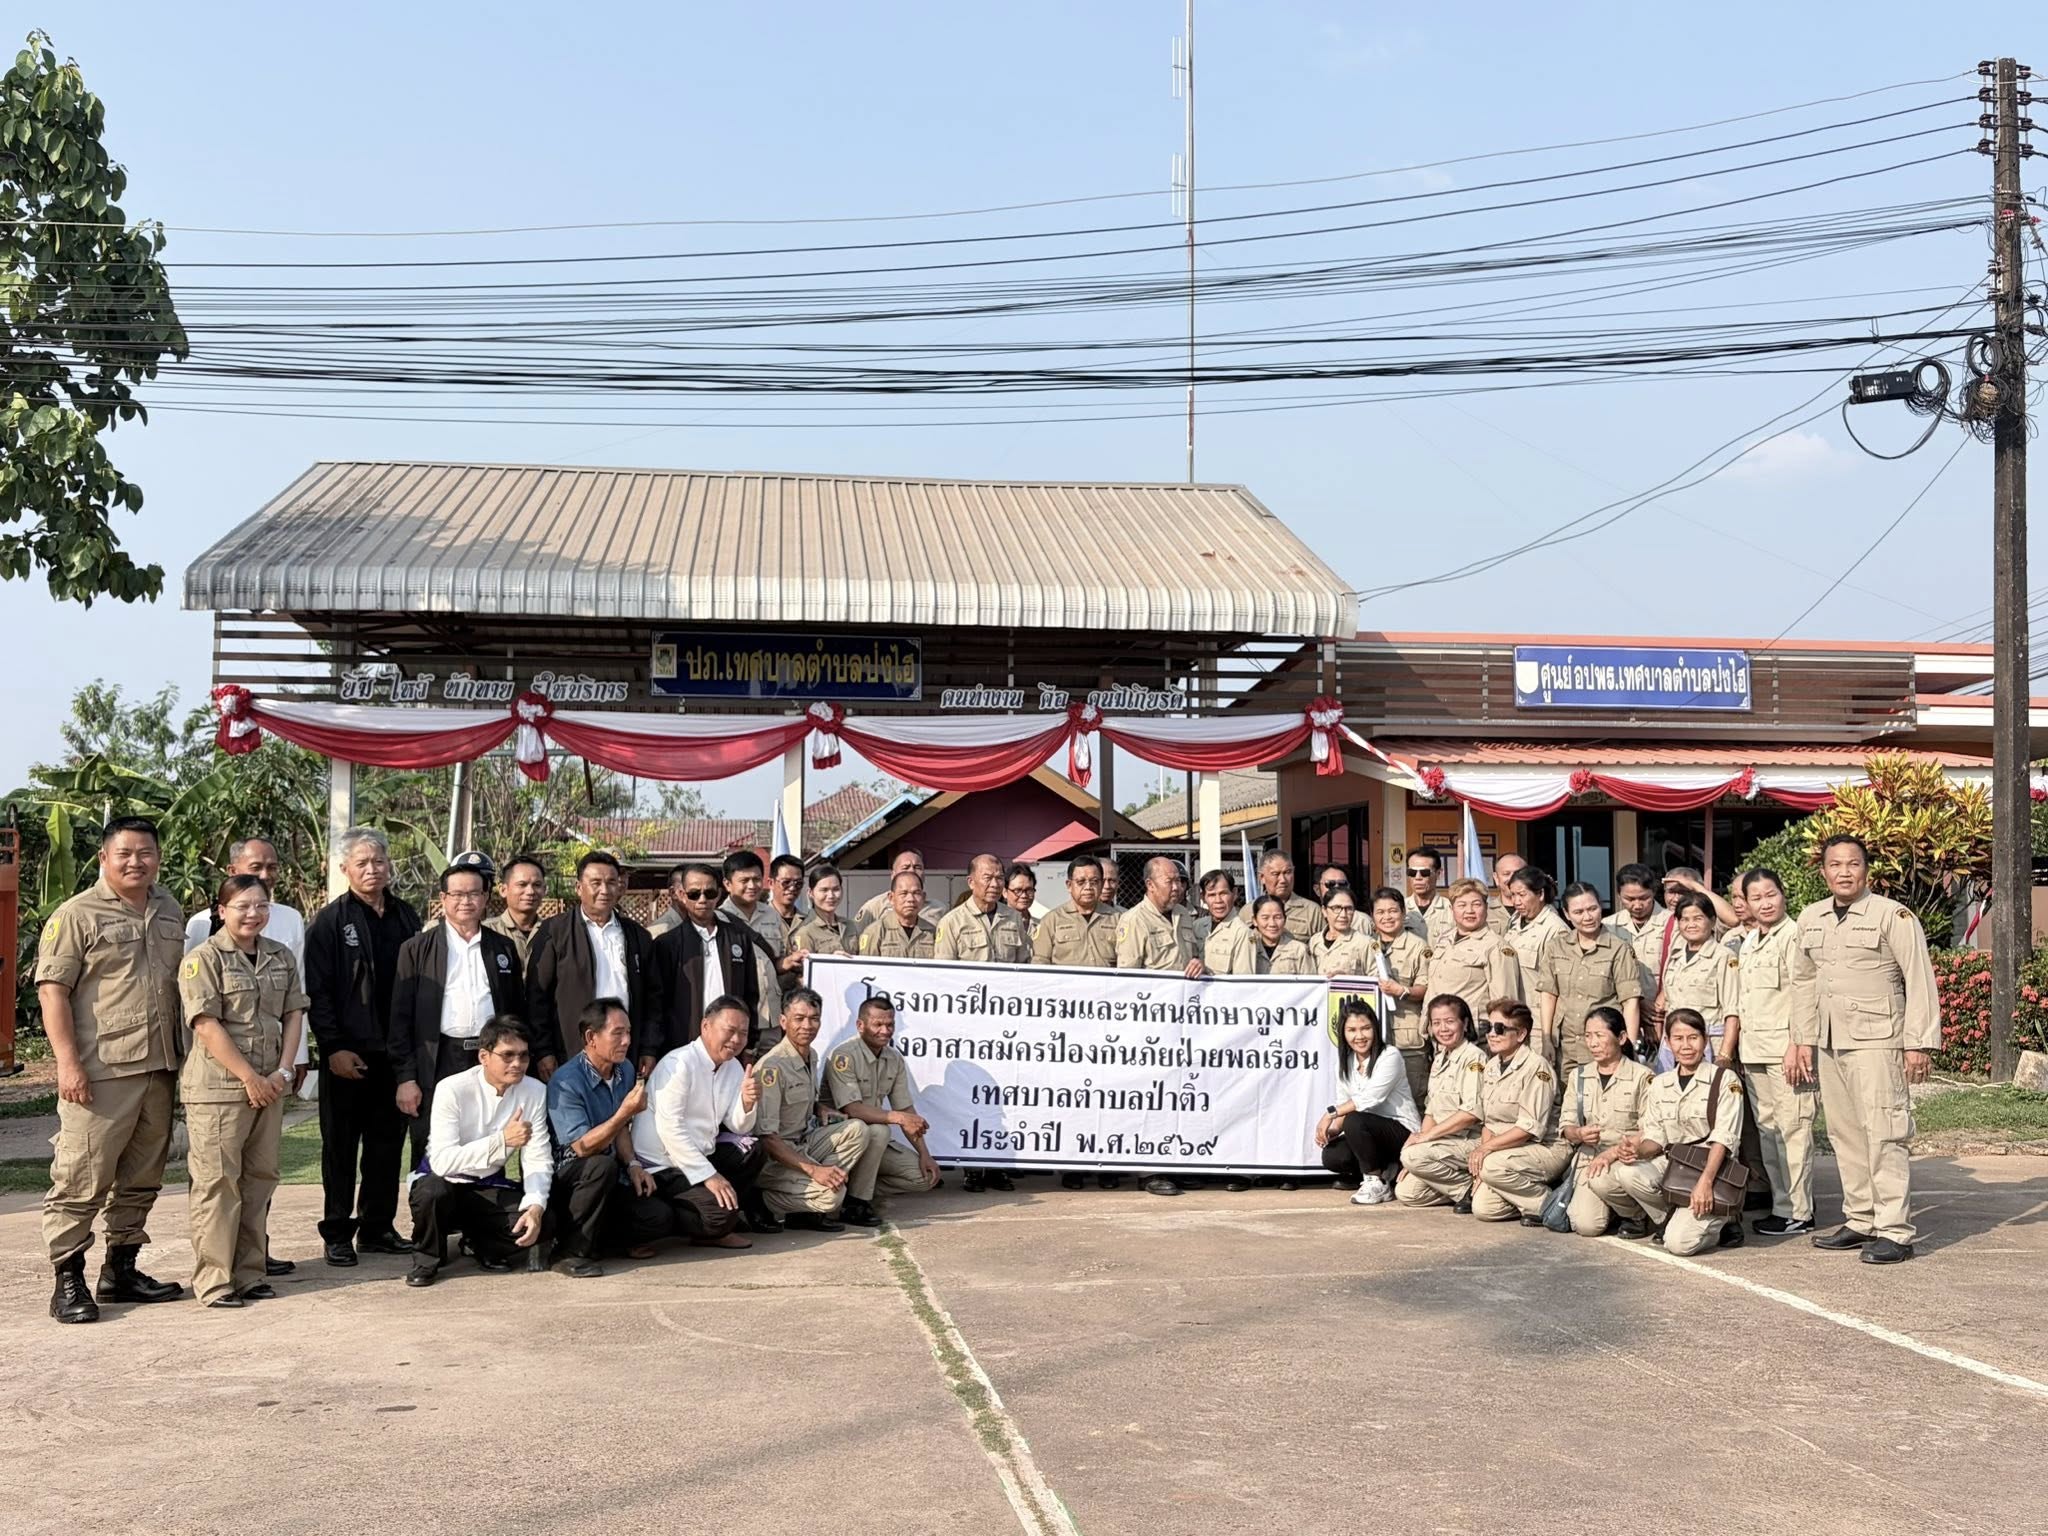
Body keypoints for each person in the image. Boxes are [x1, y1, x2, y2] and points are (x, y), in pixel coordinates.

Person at [38, 817, 189, 1323]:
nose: (135, 862)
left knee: (142, 1178)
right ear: (104, 857)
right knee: (81, 1178)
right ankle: (68, 1280)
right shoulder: (76, 914)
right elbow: (52, 992)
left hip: (160, 1066)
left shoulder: (169, 909)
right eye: (124, 853)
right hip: (101, 1071)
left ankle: (121, 1270)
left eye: (145, 853)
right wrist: (68, 1064)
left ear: (158, 858)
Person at [1787, 834, 1939, 1264]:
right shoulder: (1811, 917)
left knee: (1885, 1131)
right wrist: (1802, 1038)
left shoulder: (1893, 915)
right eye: (1835, 865)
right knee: (1844, 1133)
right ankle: (1861, 1218)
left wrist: (1918, 1043)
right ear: (1823, 872)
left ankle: (1894, 1230)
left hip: (1878, 1040)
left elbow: (1919, 978)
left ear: (1866, 869)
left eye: (1853, 864)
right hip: (1830, 1042)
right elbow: (1803, 981)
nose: (1844, 872)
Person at [181, 834, 307, 1279]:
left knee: (259, 1181)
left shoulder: (280, 956)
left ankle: (251, 1274)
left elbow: (294, 1013)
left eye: (261, 906)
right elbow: (205, 1024)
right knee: (217, 1184)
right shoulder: (203, 958)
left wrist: (283, 1071)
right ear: (221, 911)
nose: (253, 914)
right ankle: (215, 1280)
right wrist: (250, 1078)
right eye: (242, 906)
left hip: (270, 1085)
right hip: (219, 1089)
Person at [305, 826, 421, 1268]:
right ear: (345, 869)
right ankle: (337, 1232)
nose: (372, 869)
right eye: (362, 863)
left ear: (389, 865)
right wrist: (332, 1047)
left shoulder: (406, 916)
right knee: (340, 1148)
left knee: (386, 1147)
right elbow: (318, 992)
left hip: (394, 1055)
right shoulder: (330, 922)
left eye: (378, 861)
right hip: (346, 1056)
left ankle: (377, 1228)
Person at [389, 862, 527, 1169]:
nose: (466, 901)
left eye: (474, 893)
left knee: (489, 1139)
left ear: (486, 897)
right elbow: (400, 1020)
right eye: (457, 894)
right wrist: (406, 1078)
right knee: (431, 1145)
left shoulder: (502, 948)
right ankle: (428, 1199)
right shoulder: (416, 949)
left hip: (489, 1058)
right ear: (443, 898)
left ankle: (485, 1198)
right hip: (438, 1060)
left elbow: (517, 1011)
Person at [405, 1018, 554, 1287]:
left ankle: (479, 1242)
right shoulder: (452, 1088)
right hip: (444, 1181)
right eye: (508, 1055)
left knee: (545, 1220)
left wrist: (535, 1206)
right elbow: (442, 1162)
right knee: (432, 1193)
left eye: (523, 1056)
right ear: (484, 1056)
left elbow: (537, 1158)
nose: (517, 1063)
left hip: (488, 1186)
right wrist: (501, 1140)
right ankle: (427, 1259)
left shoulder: (535, 1091)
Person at [1584, 1008, 1745, 1253]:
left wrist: (1705, 1182)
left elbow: (1723, 1138)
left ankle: (1721, 1221)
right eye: (1678, 1039)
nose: (1686, 1046)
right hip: (1675, 1165)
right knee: (1624, 1174)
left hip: (1712, 1168)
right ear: (1668, 1043)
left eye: (1693, 1038)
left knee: (1679, 1245)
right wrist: (1636, 1151)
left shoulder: (1725, 1080)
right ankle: (1670, 1218)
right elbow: (1655, 1138)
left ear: (1705, 1040)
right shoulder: (1661, 1083)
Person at [628, 997, 767, 1251]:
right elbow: (671, 1130)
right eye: (730, 1030)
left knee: (753, 1150)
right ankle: (690, 1217)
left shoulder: (733, 1067)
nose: (736, 1040)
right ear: (706, 1026)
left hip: (701, 1154)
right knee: (720, 1214)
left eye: (743, 1033)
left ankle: (708, 1215)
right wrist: (709, 1176)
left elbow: (738, 1126)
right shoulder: (679, 1064)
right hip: (664, 1164)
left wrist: (747, 1102)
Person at [752, 987, 888, 1231]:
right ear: (783, 1021)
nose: (807, 1026)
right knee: (832, 1197)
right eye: (799, 1018)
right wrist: (815, 1171)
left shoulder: (811, 1055)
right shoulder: (772, 1067)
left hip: (804, 1143)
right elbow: (768, 1139)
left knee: (857, 1129)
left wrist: (818, 1108)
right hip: (776, 1158)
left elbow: (794, 1099)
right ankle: (761, 1201)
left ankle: (810, 1204)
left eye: (814, 1019)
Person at [526, 850, 661, 1078]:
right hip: (571, 1050)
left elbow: (653, 997)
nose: (605, 890)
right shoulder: (555, 932)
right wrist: (543, 1051)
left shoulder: (637, 935)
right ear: (579, 887)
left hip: (625, 1049)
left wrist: (649, 1047)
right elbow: (537, 997)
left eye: (611, 883)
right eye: (596, 883)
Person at [544, 998, 653, 1277]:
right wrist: (624, 1112)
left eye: (628, 1032)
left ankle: (601, 1239)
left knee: (658, 1217)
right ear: (591, 1037)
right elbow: (582, 1147)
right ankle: (567, 1252)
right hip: (571, 1175)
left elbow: (621, 1130)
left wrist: (633, 1164)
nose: (627, 1041)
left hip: (610, 1172)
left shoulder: (625, 1069)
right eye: (617, 1033)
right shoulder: (566, 1081)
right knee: (600, 1167)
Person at [1735, 868, 1817, 1237]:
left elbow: (1804, 994)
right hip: (1755, 1051)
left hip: (1787, 1052)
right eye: (1756, 898)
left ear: (1783, 894)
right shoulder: (1750, 941)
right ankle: (1783, 1206)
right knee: (1769, 1132)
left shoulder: (1794, 936)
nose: (1765, 903)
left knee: (1793, 1130)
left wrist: (1797, 1045)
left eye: (1771, 894)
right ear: (1747, 903)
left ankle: (1799, 1211)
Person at [823, 994, 941, 1223]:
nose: (885, 1031)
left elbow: (905, 1108)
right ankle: (856, 1204)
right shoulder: (844, 1056)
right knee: (878, 1130)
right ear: (860, 1025)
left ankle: (856, 1188)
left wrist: (925, 1154)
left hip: (873, 1144)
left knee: (923, 1177)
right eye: (877, 1024)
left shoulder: (894, 1059)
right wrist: (899, 1118)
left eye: (890, 1025)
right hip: (842, 1141)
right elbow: (853, 1109)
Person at [1468, 1001, 1571, 1225]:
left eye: (1500, 1029)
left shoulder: (1536, 1067)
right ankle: (1530, 1199)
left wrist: (1485, 1151)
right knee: (1484, 1209)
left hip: (1545, 1148)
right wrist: (1480, 1167)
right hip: (1507, 1151)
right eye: (1488, 1027)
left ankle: (1549, 1204)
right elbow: (1489, 1123)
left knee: (1492, 1167)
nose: (1492, 1034)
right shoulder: (1492, 1066)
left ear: (1521, 1034)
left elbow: (1528, 1129)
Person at [1555, 1008, 1655, 1237]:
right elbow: (1566, 1125)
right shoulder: (1578, 1076)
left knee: (1603, 1182)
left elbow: (1649, 1128)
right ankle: (1615, 1209)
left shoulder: (1642, 1076)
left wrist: (1613, 1154)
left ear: (1621, 1038)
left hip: (1626, 1158)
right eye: (1588, 1036)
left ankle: (1635, 1214)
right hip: (1590, 1158)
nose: (1593, 1043)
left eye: (1600, 1035)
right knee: (1586, 1226)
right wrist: (1578, 1133)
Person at [652, 862, 765, 1058]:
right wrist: (652, 1048)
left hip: (731, 1046)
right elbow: (657, 1003)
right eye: (694, 894)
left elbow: (751, 995)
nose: (702, 899)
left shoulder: (739, 938)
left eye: (709, 893)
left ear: (719, 894)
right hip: (684, 1048)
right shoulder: (667, 944)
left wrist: (749, 1043)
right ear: (682, 895)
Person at [1315, 997, 1418, 1204]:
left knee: (1355, 1119)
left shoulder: (1390, 1055)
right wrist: (1332, 1131)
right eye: (1352, 1030)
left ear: (1375, 1029)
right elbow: (1344, 1102)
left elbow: (1370, 1098)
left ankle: (1376, 1182)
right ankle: (1386, 1171)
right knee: (1333, 1155)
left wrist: (1329, 1114)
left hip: (1401, 1132)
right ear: (1343, 1033)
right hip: (1368, 1132)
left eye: (1365, 1028)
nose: (1359, 1036)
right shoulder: (1344, 1064)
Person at [1536, 882, 1644, 1070]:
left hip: (1605, 1048)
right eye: (1578, 912)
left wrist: (1629, 1048)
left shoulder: (1619, 949)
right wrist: (1546, 1040)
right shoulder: (1556, 947)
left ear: (1601, 907)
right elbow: (1548, 995)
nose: (1587, 917)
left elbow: (1630, 1002)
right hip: (1566, 1047)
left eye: (1592, 909)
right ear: (1567, 914)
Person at [1394, 996, 1488, 1209]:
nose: (1443, 1029)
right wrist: (1420, 1146)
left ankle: (1468, 1191)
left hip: (1469, 1142)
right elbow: (1431, 1111)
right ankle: (1467, 1186)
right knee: (1407, 1193)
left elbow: (1471, 1114)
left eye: (1449, 1021)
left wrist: (1423, 1143)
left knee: (1412, 1156)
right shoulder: (1439, 1058)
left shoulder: (1474, 1058)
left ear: (1465, 1023)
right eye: (1436, 1023)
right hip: (1442, 1144)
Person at [1355, 887, 1433, 1105]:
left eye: (1393, 911)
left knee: (1412, 1100)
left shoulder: (1418, 946)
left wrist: (1402, 991)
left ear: (1403, 913)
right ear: (1372, 916)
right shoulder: (1365, 945)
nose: (1387, 917)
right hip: (1372, 1039)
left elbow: (1427, 988)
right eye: (1380, 912)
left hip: (1407, 1039)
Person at [1423, 878, 1520, 1025]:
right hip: (1438, 1029)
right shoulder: (1444, 940)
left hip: (1472, 1031)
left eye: (1476, 904)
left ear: (1486, 907)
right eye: (1462, 905)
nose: (1469, 911)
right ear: (1452, 909)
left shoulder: (1496, 946)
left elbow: (1505, 1003)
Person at [722, 850, 793, 1045]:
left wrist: (789, 962)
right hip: (736, 1020)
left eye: (756, 879)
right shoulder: (718, 919)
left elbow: (776, 961)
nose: (752, 886)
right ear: (727, 884)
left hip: (771, 1017)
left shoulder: (772, 915)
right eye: (744, 880)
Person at [1661, 892, 1740, 1066]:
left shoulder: (1724, 956)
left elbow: (1732, 1011)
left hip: (1709, 1045)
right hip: (1674, 1046)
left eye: (1698, 919)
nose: (1691, 925)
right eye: (1684, 919)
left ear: (1712, 921)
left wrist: (1725, 1054)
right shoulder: (1675, 957)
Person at [1117, 855, 1206, 980]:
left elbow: (1193, 955)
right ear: (1150, 885)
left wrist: (1198, 964)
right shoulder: (1134, 920)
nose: (1176, 887)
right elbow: (1127, 975)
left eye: (1178, 881)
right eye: (1169, 882)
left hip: (1185, 990)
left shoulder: (1183, 913)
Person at [935, 853, 1031, 963]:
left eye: (999, 878)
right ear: (971, 882)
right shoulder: (951, 922)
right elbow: (944, 968)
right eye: (987, 878)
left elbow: (1022, 963)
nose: (995, 884)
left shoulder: (1013, 917)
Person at [1032, 854, 1120, 968]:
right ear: (1069, 885)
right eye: (1081, 882)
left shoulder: (1117, 919)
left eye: (1094, 882)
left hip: (1106, 980)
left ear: (1101, 884)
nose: (1088, 887)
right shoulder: (1051, 920)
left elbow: (1126, 960)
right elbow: (1040, 962)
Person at [1501, 866, 1567, 1005]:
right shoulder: (1514, 921)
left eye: (1522, 895)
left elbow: (1560, 984)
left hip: (1537, 1012)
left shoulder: (1555, 929)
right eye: (1513, 895)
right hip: (1513, 1008)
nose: (1516, 901)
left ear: (1540, 894)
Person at [851, 849, 941, 936]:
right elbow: (855, 936)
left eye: (917, 867)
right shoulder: (875, 907)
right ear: (893, 875)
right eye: (905, 867)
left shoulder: (938, 909)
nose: (912, 871)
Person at [1219, 895, 1315, 975]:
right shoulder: (1246, 946)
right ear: (1255, 921)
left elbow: (1310, 986)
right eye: (1265, 918)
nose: (1272, 924)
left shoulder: (1299, 950)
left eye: (1277, 917)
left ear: (1285, 919)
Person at [859, 870, 940, 958]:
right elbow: (866, 965)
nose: (910, 899)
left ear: (923, 897)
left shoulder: (932, 932)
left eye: (916, 893)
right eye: (903, 893)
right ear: (891, 898)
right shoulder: (876, 932)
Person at [484, 854, 549, 961]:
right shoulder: (486, 932)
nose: (530, 891)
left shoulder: (553, 932)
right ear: (503, 890)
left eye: (537, 885)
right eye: (522, 884)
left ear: (544, 890)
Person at [1256, 851, 1323, 944]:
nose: (1283, 880)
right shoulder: (1248, 911)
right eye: (1275, 874)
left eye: (1287, 872)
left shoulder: (1312, 911)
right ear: (1262, 877)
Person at [789, 863, 855, 956]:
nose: (831, 896)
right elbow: (804, 964)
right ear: (810, 893)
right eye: (824, 890)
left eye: (836, 889)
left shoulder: (850, 926)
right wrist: (831, 961)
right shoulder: (805, 931)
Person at [1402, 847, 1455, 950]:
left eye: (1424, 872)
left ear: (1438, 874)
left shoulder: (1452, 910)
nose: (1418, 878)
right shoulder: (1399, 909)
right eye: (1412, 872)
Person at [1310, 887, 1366, 973]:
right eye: (1336, 908)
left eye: (1349, 909)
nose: (1343, 915)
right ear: (1324, 911)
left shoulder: (1365, 943)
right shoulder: (1315, 941)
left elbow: (1379, 977)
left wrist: (1347, 979)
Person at [1190, 868, 1240, 945]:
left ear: (1234, 893)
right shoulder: (1197, 927)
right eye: (1212, 895)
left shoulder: (1242, 931)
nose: (1218, 900)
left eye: (1223, 893)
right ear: (1203, 898)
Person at [1487, 852, 1528, 936]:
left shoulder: (1540, 911)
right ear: (1496, 878)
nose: (1512, 878)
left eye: (1518, 873)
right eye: (1506, 874)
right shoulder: (1485, 912)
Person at [1004, 865, 1040, 942]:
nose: (1024, 896)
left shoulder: (1041, 926)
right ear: (1005, 892)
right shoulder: (997, 925)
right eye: (1018, 890)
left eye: (1029, 890)